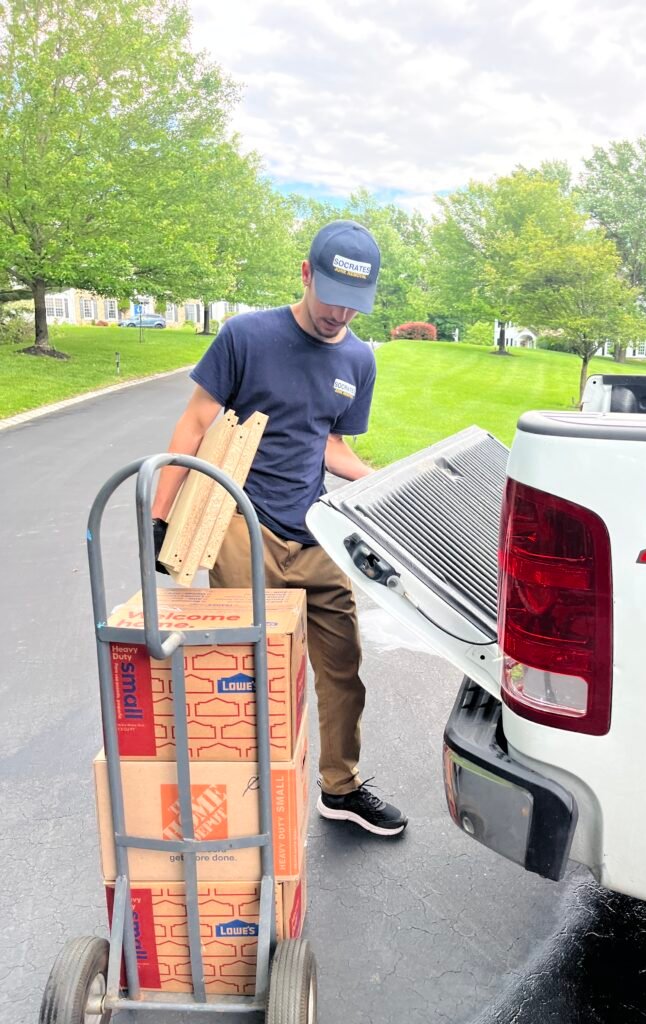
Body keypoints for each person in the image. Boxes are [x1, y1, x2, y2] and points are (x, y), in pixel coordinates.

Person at [151, 220, 407, 837]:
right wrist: (162, 515)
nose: (339, 313)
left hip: (315, 532)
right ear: (304, 275)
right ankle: (243, 789)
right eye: (330, 295)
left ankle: (339, 788)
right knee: (248, 665)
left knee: (342, 666)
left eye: (355, 302)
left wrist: (379, 484)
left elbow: (330, 445)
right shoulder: (247, 336)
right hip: (244, 522)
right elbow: (194, 424)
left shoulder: (357, 358)